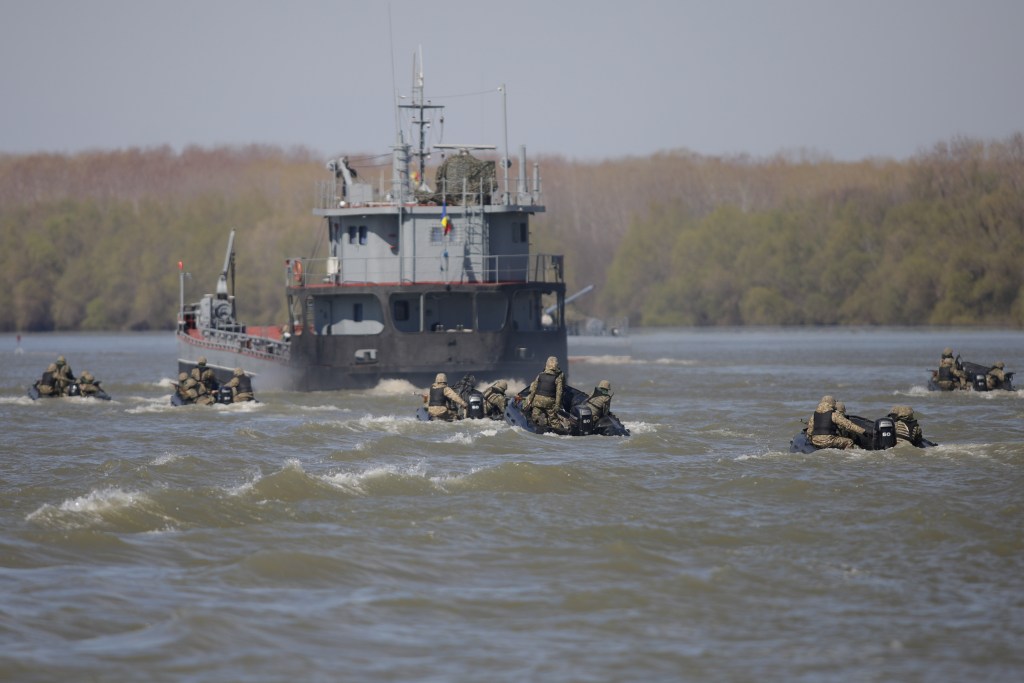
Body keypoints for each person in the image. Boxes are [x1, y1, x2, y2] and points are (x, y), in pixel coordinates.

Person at [524, 356, 565, 431]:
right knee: (554, 420)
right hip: (549, 403)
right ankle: (559, 431)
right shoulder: (557, 378)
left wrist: (530, 400)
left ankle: (536, 425)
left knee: (534, 417)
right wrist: (557, 405)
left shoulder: (540, 375)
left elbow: (534, 389)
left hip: (537, 401)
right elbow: (559, 393)